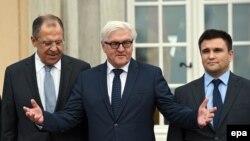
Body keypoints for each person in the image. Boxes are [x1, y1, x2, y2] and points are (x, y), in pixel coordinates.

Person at [23, 21, 216, 141]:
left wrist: (194, 118)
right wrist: (44, 119)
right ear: (103, 46)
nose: (121, 48)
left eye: (127, 42)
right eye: (114, 43)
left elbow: (172, 110)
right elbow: (70, 117)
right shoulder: (87, 78)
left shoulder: (151, 75)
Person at [1, 14, 90, 141]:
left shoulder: (81, 70)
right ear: (33, 41)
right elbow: (8, 125)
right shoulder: (14, 73)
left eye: (59, 42)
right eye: (47, 43)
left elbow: (86, 119)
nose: (54, 48)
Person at [167, 29, 250, 141]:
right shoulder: (183, 94)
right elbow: (175, 137)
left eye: (217, 50)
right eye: (206, 51)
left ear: (230, 55)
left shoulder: (247, 89)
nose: (211, 56)